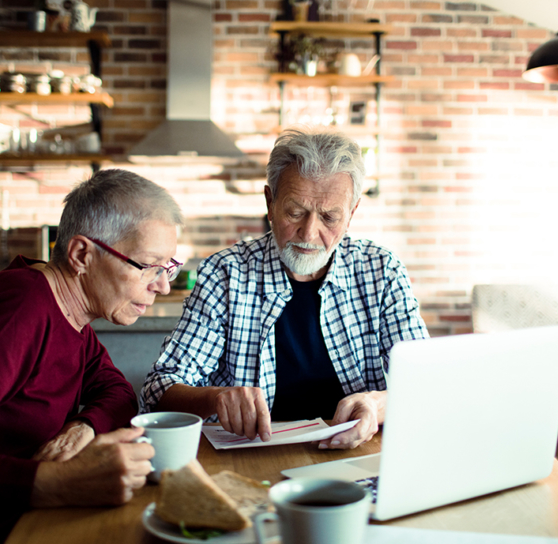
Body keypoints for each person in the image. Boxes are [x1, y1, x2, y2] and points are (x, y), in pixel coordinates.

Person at [0, 169, 184, 543]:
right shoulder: (20, 310)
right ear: (81, 254)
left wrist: (82, 428)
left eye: (168, 267)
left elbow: (117, 393)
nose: (162, 286)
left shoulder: (72, 315)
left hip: (24, 518)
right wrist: (62, 483)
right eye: (148, 265)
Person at [141, 127, 428, 451]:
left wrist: (378, 406)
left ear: (351, 214)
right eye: (295, 212)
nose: (309, 233)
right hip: (249, 458)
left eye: (330, 217)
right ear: (270, 202)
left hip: (359, 453)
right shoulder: (225, 274)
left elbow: (428, 383)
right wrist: (216, 397)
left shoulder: (381, 271)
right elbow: (157, 393)